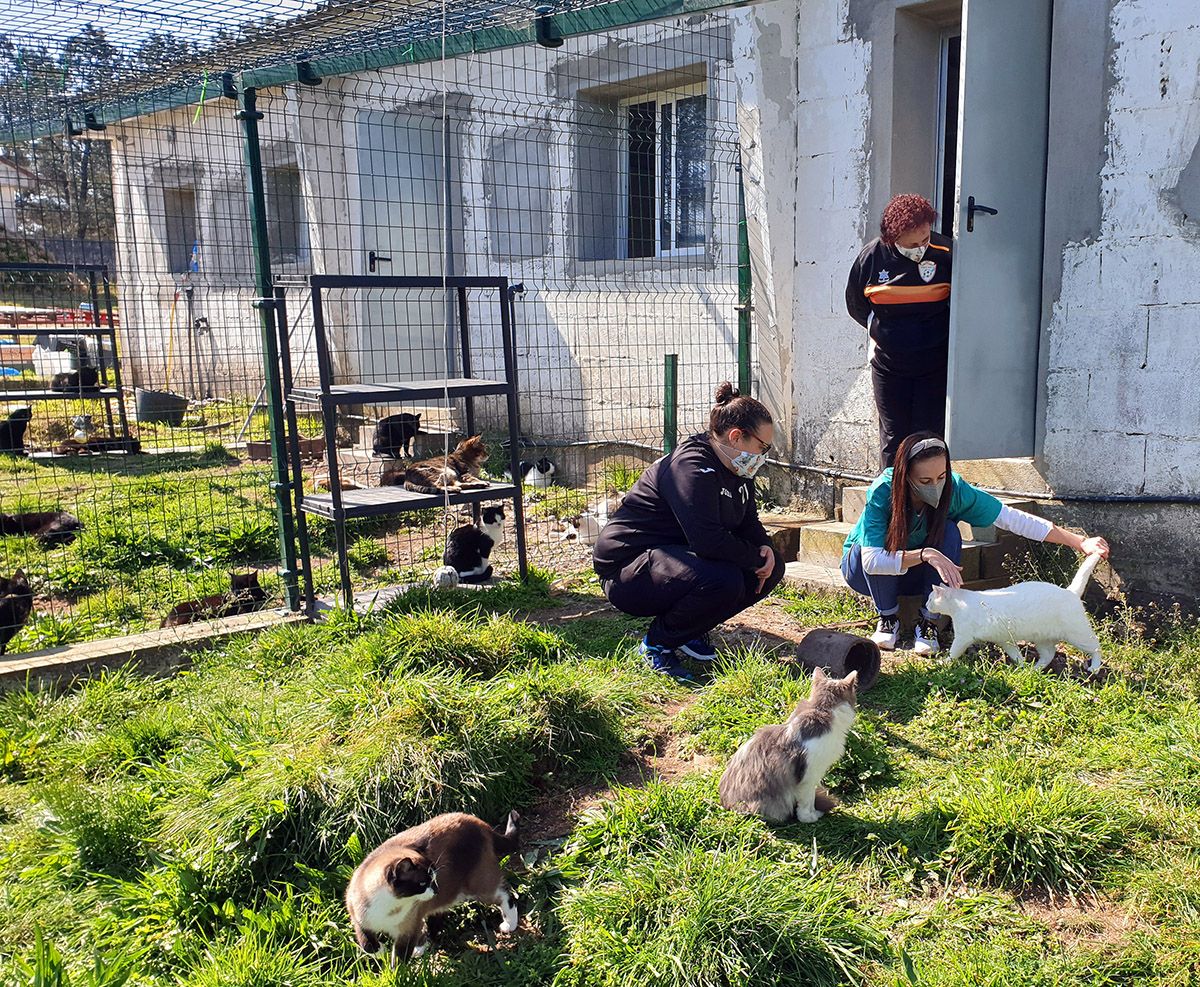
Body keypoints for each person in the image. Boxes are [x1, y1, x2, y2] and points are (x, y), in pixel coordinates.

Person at [841, 432, 1110, 655]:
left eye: (941, 477)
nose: (935, 485)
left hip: (917, 576)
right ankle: (888, 618)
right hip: (866, 574)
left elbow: (1011, 518)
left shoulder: (955, 490)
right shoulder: (884, 490)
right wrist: (925, 554)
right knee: (876, 546)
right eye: (925, 481)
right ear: (905, 476)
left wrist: (1079, 542)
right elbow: (871, 561)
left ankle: (929, 623)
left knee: (949, 532)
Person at [593, 383, 785, 681]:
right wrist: (753, 558)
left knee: (770, 569)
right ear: (737, 436)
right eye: (763, 447)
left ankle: (688, 629)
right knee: (725, 579)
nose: (763, 456)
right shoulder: (692, 467)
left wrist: (764, 549)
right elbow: (708, 541)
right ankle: (657, 644)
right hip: (628, 568)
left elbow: (748, 520)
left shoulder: (736, 467)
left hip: (674, 561)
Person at [846, 193, 952, 469]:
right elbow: (857, 305)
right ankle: (894, 506)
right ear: (894, 237)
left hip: (934, 364)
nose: (921, 247)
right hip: (889, 366)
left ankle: (928, 506)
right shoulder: (871, 258)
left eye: (925, 239)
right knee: (894, 440)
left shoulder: (947, 254)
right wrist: (885, 334)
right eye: (913, 244)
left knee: (927, 438)